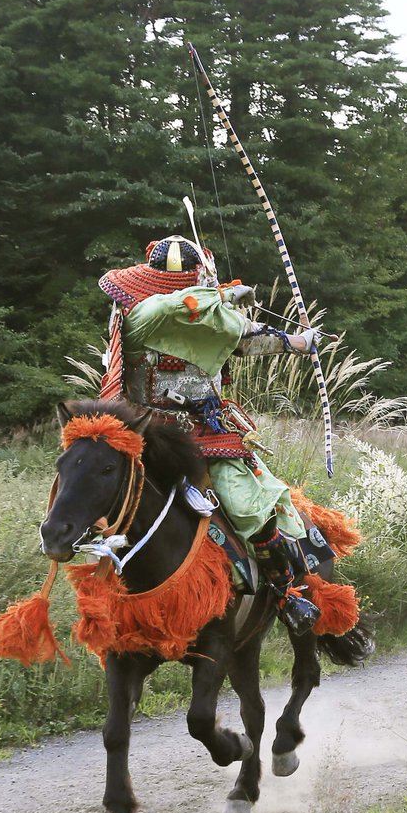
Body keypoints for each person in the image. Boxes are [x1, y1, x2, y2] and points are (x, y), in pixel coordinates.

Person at [96, 235, 323, 635]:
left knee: (251, 506)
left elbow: (245, 338)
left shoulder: (210, 316)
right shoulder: (141, 314)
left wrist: (297, 341)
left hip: (207, 433)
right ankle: (95, 594)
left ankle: (285, 593)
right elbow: (172, 306)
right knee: (89, 496)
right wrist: (222, 296)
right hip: (145, 436)